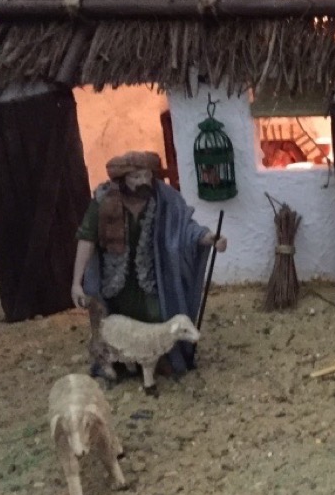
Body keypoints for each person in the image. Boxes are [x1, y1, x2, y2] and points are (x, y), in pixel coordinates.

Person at [71, 151, 226, 377]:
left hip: (153, 278)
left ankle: (160, 358)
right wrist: (76, 282)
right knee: (115, 324)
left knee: (156, 317)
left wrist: (208, 238)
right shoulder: (104, 201)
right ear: (122, 179)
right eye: (135, 177)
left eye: (146, 175)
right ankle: (121, 361)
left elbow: (185, 228)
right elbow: (87, 239)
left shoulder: (166, 199)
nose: (143, 181)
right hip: (115, 281)